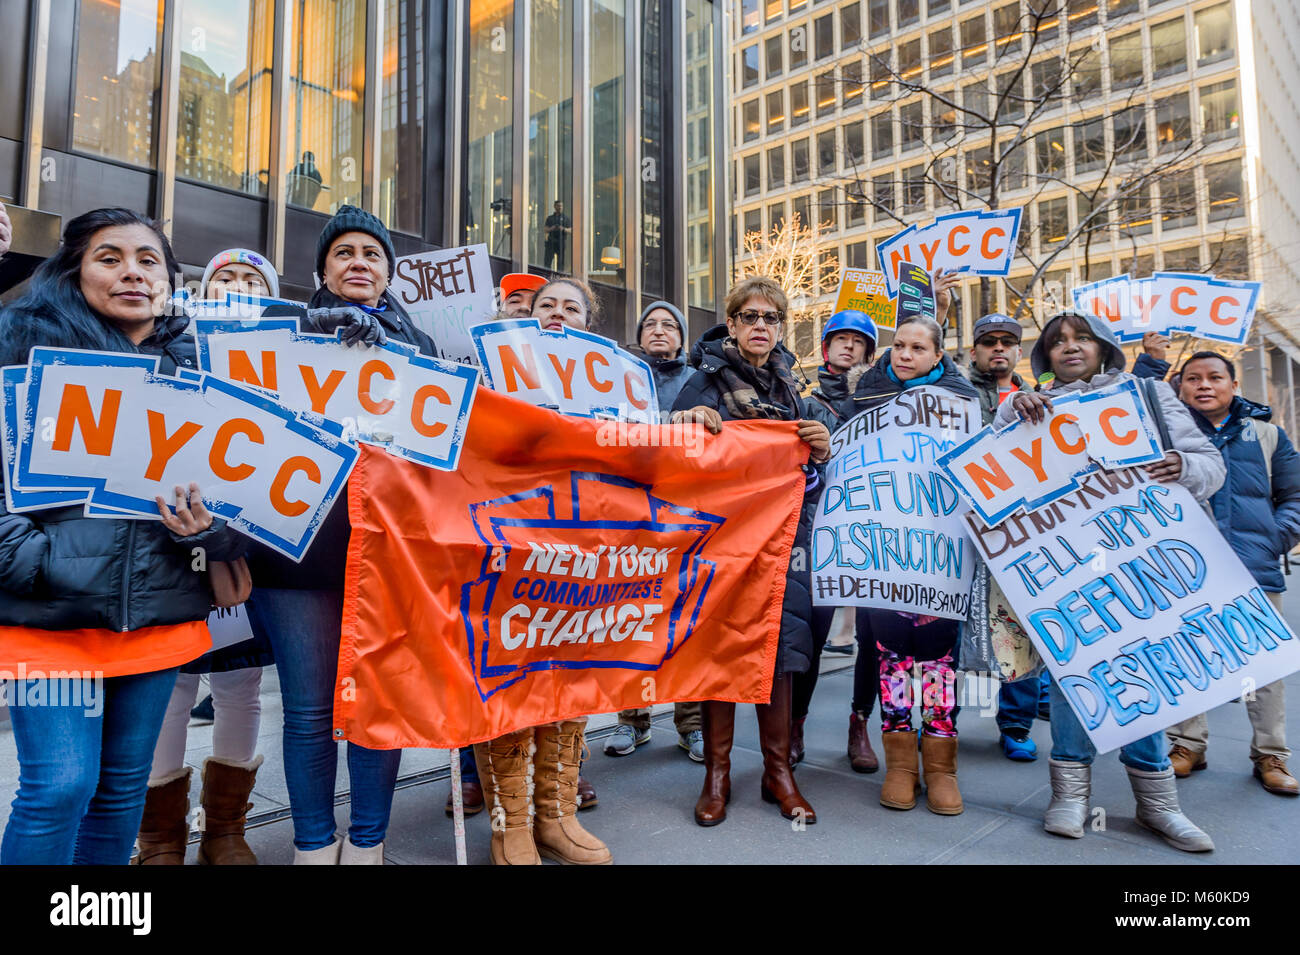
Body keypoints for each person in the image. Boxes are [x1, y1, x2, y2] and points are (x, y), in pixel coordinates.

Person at [0, 207, 246, 865]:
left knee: (119, 794)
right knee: (58, 787)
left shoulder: (203, 369)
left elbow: (246, 498)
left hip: (157, 622)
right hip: (51, 623)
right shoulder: (21, 344)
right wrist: (32, 560)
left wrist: (214, 528)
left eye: (148, 259)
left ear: (169, 278)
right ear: (75, 269)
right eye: (110, 257)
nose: (132, 271)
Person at [997, 309, 1225, 852]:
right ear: (1045, 357)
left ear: (1103, 347)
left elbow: (1210, 465)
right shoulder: (1031, 407)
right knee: (1072, 674)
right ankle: (1070, 796)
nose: (1070, 348)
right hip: (1067, 570)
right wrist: (1012, 408)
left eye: (1081, 339)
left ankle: (1159, 806)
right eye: (1057, 343)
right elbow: (993, 465)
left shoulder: (1146, 395)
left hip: (1141, 564)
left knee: (1146, 673)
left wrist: (1181, 466)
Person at [248, 206, 432, 865]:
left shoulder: (422, 349)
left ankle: (368, 844)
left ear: (388, 272)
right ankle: (313, 845)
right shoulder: (280, 337)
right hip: (296, 556)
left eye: (372, 254)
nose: (359, 262)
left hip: (389, 557)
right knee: (307, 712)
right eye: (345, 253)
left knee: (378, 707)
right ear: (323, 269)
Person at [132, 248, 282, 866]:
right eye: (227, 279)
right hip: (166, 541)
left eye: (254, 281)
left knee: (240, 687)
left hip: (241, 547)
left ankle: (226, 831)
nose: (240, 288)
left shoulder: (282, 360)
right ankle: (161, 839)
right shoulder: (162, 341)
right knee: (171, 686)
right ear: (200, 288)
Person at [670, 275, 831, 827]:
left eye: (771, 318)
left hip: (783, 544)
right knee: (722, 652)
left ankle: (777, 773)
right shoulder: (704, 381)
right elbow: (671, 453)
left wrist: (822, 447)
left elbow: (812, 472)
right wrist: (685, 422)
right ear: (732, 324)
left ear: (780, 328)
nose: (761, 326)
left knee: (781, 652)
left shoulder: (793, 390)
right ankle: (716, 775)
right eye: (750, 316)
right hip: (721, 546)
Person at [472, 274, 612, 864]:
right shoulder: (493, 373)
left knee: (571, 678)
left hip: (583, 551)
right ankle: (512, 824)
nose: (557, 313)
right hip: (510, 547)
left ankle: (557, 814)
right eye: (546, 304)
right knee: (511, 679)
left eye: (571, 307)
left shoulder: (617, 384)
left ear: (588, 323)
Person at [842, 317, 978, 815]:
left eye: (917, 347)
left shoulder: (964, 404)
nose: (904, 354)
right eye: (898, 345)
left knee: (939, 664)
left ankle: (941, 768)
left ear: (937, 356)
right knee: (893, 661)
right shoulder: (863, 400)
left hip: (939, 558)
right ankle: (901, 763)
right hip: (886, 559)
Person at [1164, 352, 1300, 796]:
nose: (1204, 385)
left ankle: (1271, 754)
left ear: (1234, 384)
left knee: (1264, 668)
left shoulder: (1265, 434)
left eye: (1215, 377)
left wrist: (1272, 539)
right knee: (1188, 658)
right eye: (1193, 379)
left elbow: (1294, 495)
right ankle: (1186, 745)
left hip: (1254, 568)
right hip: (1186, 573)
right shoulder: (1168, 435)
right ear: (1180, 387)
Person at [606, 300, 704, 760]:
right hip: (627, 515)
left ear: (683, 337)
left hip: (681, 515)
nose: (660, 330)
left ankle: (692, 723)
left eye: (670, 325)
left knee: (685, 621)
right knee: (630, 620)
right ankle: (633, 719)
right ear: (640, 334)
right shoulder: (615, 375)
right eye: (651, 324)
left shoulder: (697, 382)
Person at [798, 309, 883, 774]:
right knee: (811, 634)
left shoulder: (884, 401)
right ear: (826, 346)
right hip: (821, 534)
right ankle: (795, 725)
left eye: (858, 341)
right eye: (840, 338)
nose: (848, 346)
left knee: (872, 636)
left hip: (873, 534)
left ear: (869, 353)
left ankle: (859, 723)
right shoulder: (806, 401)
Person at [965, 313, 1050, 762]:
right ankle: (934, 721)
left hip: (1020, 533)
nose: (998, 348)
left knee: (1021, 629)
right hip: (962, 529)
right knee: (945, 629)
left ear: (1018, 351)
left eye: (1007, 342)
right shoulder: (954, 393)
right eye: (988, 341)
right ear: (974, 350)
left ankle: (1016, 725)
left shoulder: (1043, 397)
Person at [543, 201, 571, 271]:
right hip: (551, 242)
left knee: (561, 263)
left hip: (561, 242)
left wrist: (563, 229)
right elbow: (545, 229)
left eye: (561, 206)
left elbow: (571, 230)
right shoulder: (550, 218)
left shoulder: (566, 218)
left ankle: (559, 276)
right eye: (558, 206)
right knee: (547, 261)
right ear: (554, 206)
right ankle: (546, 274)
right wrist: (551, 228)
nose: (560, 207)